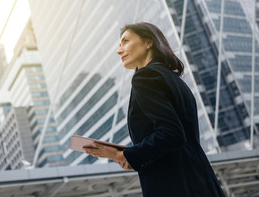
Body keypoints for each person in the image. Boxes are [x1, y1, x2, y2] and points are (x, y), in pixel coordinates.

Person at [83, 22, 225, 197]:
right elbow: (175, 137)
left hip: (177, 186)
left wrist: (124, 155)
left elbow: (171, 134)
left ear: (148, 42)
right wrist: (135, 157)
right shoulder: (174, 80)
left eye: (126, 41)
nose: (119, 50)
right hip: (201, 179)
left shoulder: (144, 78)